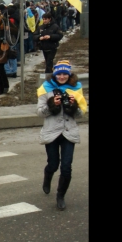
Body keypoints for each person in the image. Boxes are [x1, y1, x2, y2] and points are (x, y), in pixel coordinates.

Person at [36, 60, 87, 210]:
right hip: (51, 132)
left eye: (65, 74)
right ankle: (48, 176)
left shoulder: (76, 89)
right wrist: (53, 105)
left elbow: (80, 114)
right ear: (55, 74)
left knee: (66, 167)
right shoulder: (45, 89)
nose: (62, 76)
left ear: (69, 74)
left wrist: (73, 106)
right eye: (59, 74)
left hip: (69, 132)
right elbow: (40, 113)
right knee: (53, 164)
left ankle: (60, 196)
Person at [0, 6, 18, 95]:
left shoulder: (3, 21)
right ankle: (4, 87)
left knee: (0, 66)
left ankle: (2, 88)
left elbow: (15, 30)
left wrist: (8, 29)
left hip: (4, 46)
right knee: (0, 68)